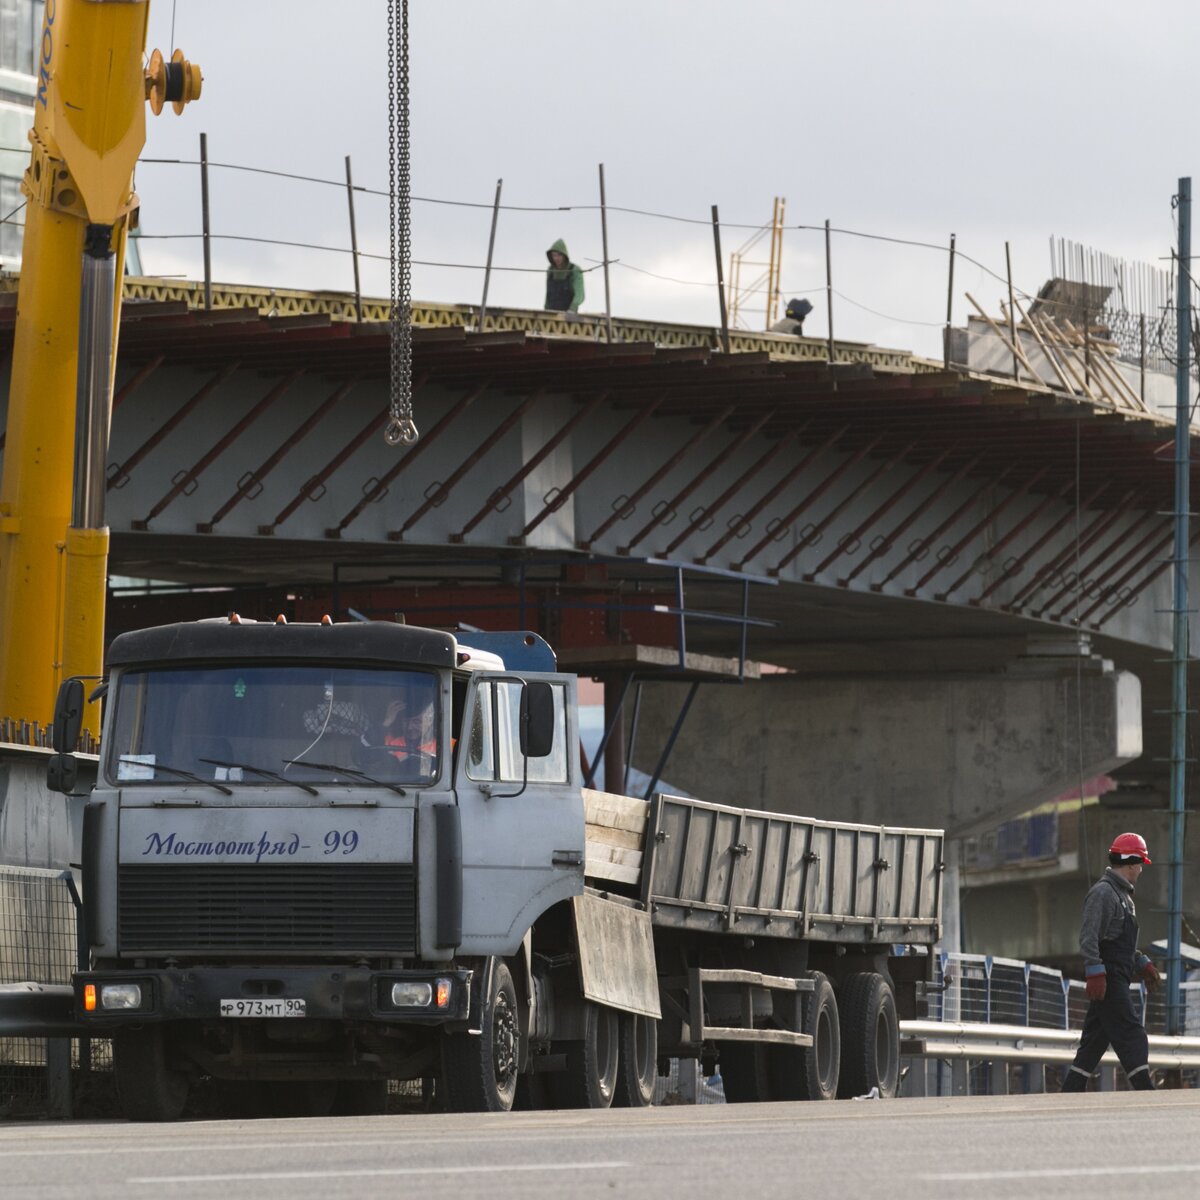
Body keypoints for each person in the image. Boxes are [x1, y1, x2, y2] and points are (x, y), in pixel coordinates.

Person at [1060, 832, 1161, 1093]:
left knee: (1094, 1041)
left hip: (1116, 975)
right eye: (1140, 863)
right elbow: (1089, 936)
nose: (1141, 869)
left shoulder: (1123, 896)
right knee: (1131, 1032)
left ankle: (1071, 1089)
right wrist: (1095, 972)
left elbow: (1119, 943)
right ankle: (1144, 1088)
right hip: (1109, 979)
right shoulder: (1104, 893)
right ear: (1130, 863)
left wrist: (1141, 962)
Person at [544, 239, 584, 313]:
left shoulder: (574, 270)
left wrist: (573, 308)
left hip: (569, 315)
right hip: (552, 315)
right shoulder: (550, 271)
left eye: (559, 255)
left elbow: (579, 293)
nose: (556, 258)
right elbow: (548, 296)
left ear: (564, 255)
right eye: (554, 255)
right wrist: (545, 311)